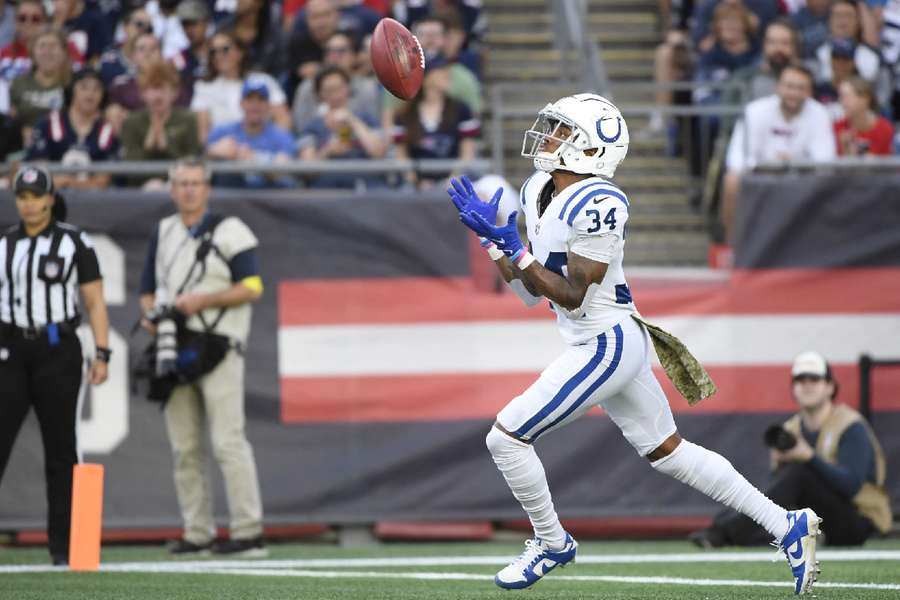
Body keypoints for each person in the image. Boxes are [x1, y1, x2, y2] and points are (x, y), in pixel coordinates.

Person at [447, 93, 822, 595]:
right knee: (670, 452)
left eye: (562, 130)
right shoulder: (539, 187)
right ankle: (785, 525)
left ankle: (551, 541)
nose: (549, 137)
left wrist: (516, 249)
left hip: (605, 342)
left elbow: (575, 298)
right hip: (598, 341)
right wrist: (495, 244)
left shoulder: (601, 202)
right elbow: (530, 293)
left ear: (588, 148)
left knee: (506, 437)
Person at [138, 158, 266, 557]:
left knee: (228, 440)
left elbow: (253, 286)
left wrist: (203, 300)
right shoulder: (163, 231)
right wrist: (153, 316)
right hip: (176, 343)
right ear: (172, 189)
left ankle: (248, 530)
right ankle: (197, 531)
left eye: (196, 183)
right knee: (185, 445)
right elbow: (147, 288)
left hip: (219, 341)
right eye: (182, 183)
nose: (189, 190)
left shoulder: (231, 230)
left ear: (207, 189)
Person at [0, 164, 111, 566]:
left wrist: (102, 352)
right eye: (22, 197)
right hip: (10, 349)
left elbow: (94, 300)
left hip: (57, 349)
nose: (29, 204)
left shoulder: (73, 242)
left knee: (61, 451)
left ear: (50, 198)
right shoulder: (4, 244)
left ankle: (64, 550)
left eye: (35, 196)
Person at [689, 352, 892, 548]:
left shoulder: (850, 425)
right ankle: (723, 525)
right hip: (813, 518)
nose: (806, 384)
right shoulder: (792, 429)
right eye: (800, 379)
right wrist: (779, 468)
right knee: (779, 485)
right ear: (793, 387)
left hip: (858, 522)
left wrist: (809, 457)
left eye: (814, 378)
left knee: (799, 473)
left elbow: (852, 486)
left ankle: (724, 533)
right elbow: (778, 491)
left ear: (830, 386)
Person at [721, 63, 836, 243]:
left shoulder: (820, 113)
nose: (793, 93)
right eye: (789, 86)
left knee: (829, 185)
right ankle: (732, 246)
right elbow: (737, 158)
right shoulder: (755, 110)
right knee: (732, 180)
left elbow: (825, 161)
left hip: (802, 177)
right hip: (760, 175)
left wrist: (795, 164)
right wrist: (768, 166)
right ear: (778, 87)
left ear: (809, 92)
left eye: (800, 88)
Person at [392, 55, 479, 188]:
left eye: (446, 69)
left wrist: (453, 179)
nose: (447, 74)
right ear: (425, 77)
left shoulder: (461, 110)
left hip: (453, 181)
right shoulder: (405, 114)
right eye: (440, 69)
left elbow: (467, 153)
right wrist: (416, 181)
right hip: (415, 184)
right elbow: (401, 155)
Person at [190, 30, 290, 142]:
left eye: (225, 49)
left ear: (240, 52)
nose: (218, 56)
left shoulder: (263, 80)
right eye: (213, 52)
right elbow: (203, 134)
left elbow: (283, 119)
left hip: (264, 152)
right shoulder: (204, 87)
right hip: (223, 153)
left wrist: (276, 147)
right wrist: (215, 151)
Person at [25, 68, 118, 190]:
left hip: (94, 203)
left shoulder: (107, 133)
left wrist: (68, 182)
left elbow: (103, 181)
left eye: (97, 89)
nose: (90, 94)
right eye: (84, 87)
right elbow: (38, 173)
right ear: (72, 90)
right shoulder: (47, 125)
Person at [297, 65, 385, 189]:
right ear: (320, 94)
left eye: (339, 88)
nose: (335, 95)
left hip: (367, 189)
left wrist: (352, 121)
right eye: (329, 90)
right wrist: (328, 151)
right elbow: (307, 170)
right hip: (327, 192)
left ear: (348, 88)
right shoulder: (312, 127)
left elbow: (379, 152)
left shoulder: (367, 120)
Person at [120, 60, 201, 188]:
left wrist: (166, 146)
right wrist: (148, 145)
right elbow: (130, 168)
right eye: (152, 89)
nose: (158, 96)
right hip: (138, 188)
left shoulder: (187, 119)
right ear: (143, 93)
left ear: (174, 92)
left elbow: (193, 162)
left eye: (163, 88)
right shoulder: (131, 122)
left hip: (180, 185)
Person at [207, 77, 297, 188]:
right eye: (250, 99)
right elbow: (200, 160)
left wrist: (252, 159)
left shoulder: (282, 137)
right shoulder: (222, 132)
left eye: (260, 99)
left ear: (268, 105)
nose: (255, 105)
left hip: (268, 198)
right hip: (230, 198)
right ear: (241, 103)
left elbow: (281, 170)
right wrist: (212, 152)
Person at [9, 28, 72, 143]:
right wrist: (20, 131)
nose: (47, 52)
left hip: (63, 142)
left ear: (64, 52)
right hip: (24, 141)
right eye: (42, 46)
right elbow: (11, 118)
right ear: (32, 53)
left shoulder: (71, 83)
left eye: (53, 46)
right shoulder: (19, 82)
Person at [834, 76, 895, 155]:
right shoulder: (838, 127)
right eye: (841, 97)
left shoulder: (884, 129)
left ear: (865, 99)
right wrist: (845, 149)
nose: (842, 102)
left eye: (846, 96)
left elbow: (881, 164)